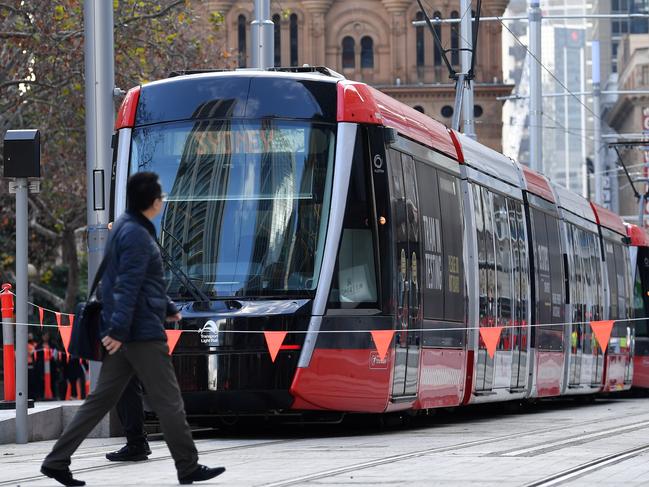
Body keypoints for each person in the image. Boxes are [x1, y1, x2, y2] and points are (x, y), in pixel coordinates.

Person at [41, 172, 225, 486]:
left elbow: (140, 280)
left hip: (129, 331)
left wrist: (167, 308)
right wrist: (118, 329)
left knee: (99, 400)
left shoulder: (127, 227)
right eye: (161, 196)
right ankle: (188, 466)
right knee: (168, 400)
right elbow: (127, 285)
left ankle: (56, 461)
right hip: (139, 334)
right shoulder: (137, 234)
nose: (163, 200)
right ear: (152, 202)